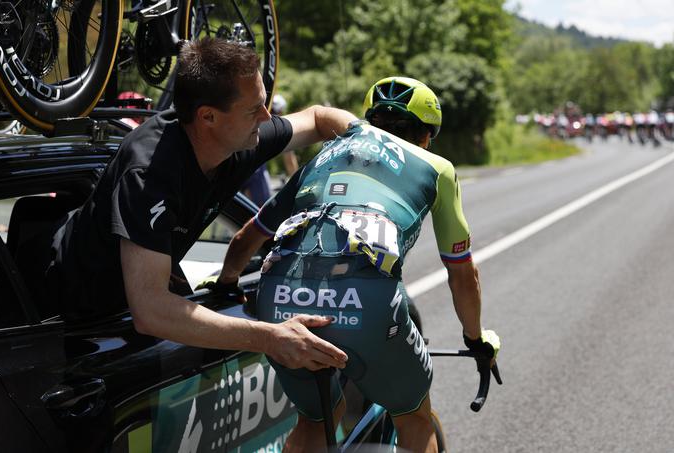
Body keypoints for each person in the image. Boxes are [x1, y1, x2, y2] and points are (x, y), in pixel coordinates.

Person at [217, 76, 500, 452]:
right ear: (428, 135)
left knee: (317, 418)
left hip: (281, 299)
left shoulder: (324, 156)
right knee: (413, 415)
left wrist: (225, 285)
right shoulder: (437, 167)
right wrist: (475, 338)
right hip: (365, 305)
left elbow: (244, 240)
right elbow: (462, 274)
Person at [40, 38, 357, 371]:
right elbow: (151, 311)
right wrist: (270, 337)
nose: (266, 118)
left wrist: (373, 142)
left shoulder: (240, 137)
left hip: (122, 319)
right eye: (254, 110)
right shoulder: (151, 174)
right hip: (63, 323)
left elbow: (319, 118)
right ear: (208, 117)